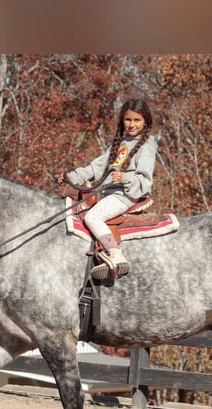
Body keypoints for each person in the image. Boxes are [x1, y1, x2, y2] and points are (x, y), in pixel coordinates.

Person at [60, 97, 157, 279]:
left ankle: (116, 254)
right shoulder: (121, 142)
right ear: (122, 120)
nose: (132, 124)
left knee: (93, 216)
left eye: (137, 120)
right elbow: (95, 168)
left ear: (146, 122)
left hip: (125, 195)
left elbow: (145, 180)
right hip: (109, 192)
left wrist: (125, 177)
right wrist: (71, 177)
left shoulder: (146, 146)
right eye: (128, 119)